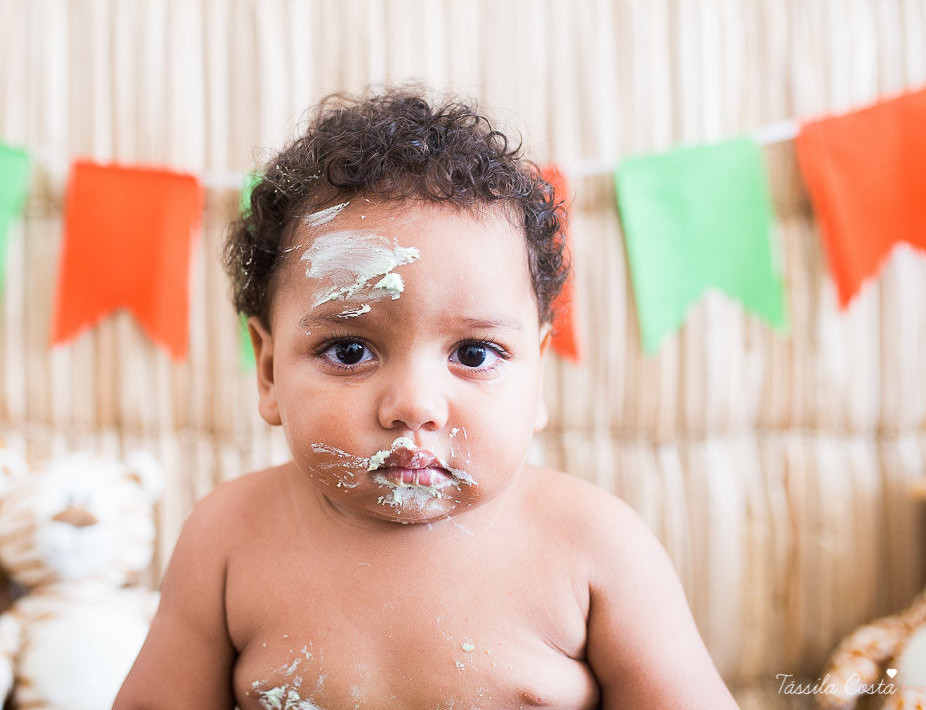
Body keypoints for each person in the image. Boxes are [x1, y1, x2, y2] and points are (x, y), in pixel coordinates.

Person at [114, 90, 739, 710]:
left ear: (538, 374)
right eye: (350, 351)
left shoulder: (595, 547)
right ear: (270, 371)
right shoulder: (228, 539)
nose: (414, 405)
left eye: (473, 354)